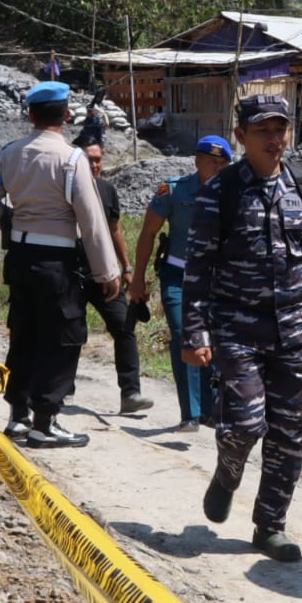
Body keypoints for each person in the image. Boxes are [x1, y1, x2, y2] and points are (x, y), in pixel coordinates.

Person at [183, 94, 302, 562]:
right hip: (237, 330)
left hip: (293, 332)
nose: (275, 140)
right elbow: (198, 267)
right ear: (241, 136)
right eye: (263, 131)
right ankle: (228, 471)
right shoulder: (221, 192)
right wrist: (195, 333)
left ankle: (269, 525)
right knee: (246, 424)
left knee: (289, 433)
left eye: (281, 129)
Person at [0, 80, 121, 449]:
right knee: (62, 339)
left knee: (23, 335)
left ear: (30, 115)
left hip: (20, 260)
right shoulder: (73, 159)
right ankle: (46, 422)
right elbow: (91, 220)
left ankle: (18, 417)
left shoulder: (8, 153)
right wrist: (108, 272)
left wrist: (15, 223)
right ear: (67, 115)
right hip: (57, 262)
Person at [130, 135, 231, 431]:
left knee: (210, 339)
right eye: (212, 162)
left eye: (223, 163)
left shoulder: (232, 194)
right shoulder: (173, 190)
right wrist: (138, 278)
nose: (218, 167)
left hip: (215, 280)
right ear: (197, 161)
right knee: (182, 334)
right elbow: (148, 234)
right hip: (177, 276)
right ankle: (191, 412)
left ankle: (211, 409)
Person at [81, 142, 153, 414]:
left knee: (124, 328)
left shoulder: (107, 190)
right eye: (89, 160)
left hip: (106, 274)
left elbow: (115, 230)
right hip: (72, 273)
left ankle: (131, 393)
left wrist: (126, 267)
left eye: (98, 160)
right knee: (70, 334)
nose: (95, 165)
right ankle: (61, 391)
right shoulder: (64, 189)